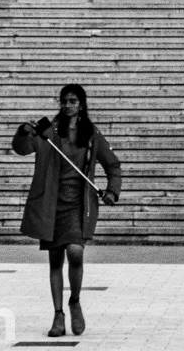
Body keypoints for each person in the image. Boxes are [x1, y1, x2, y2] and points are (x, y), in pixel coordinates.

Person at [12, 83, 122, 339]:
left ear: (81, 105)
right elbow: (22, 149)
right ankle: (58, 315)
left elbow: (112, 164)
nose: (67, 105)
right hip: (51, 203)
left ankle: (74, 301)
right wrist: (23, 132)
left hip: (78, 204)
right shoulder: (48, 132)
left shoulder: (92, 134)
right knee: (54, 261)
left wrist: (112, 191)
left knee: (75, 252)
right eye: (64, 100)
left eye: (72, 101)